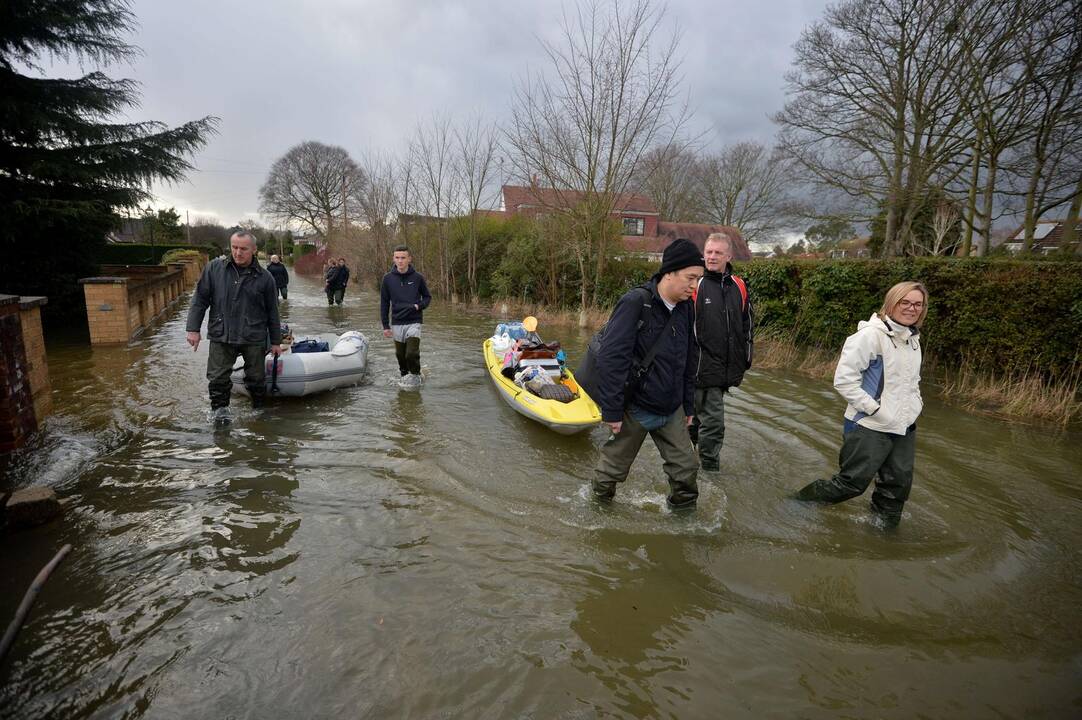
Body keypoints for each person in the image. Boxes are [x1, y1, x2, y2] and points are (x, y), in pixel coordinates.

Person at [793, 281, 928, 527]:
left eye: (917, 304)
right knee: (850, 484)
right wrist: (878, 411)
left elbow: (914, 381)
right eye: (905, 302)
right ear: (891, 303)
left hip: (905, 427)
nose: (911, 308)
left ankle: (883, 538)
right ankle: (796, 504)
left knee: (897, 487)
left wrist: (915, 407)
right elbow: (844, 381)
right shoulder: (869, 336)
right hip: (869, 425)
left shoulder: (913, 340)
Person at [592, 238, 704, 509]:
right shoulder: (635, 302)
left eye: (698, 279)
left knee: (687, 469)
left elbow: (689, 359)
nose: (694, 286)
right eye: (690, 278)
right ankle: (598, 511)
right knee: (611, 473)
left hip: (672, 408)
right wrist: (612, 411)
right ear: (669, 272)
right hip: (635, 408)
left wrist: (688, 405)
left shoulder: (687, 307)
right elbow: (611, 358)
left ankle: (683, 519)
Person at [185, 231, 283, 415]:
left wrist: (276, 341)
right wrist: (193, 329)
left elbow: (273, 312)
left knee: (256, 378)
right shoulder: (214, 269)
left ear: (254, 250)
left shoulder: (265, 277)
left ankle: (258, 412)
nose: (238, 253)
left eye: (243, 249)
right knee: (217, 378)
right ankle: (219, 415)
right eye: (234, 247)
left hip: (253, 335)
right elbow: (199, 300)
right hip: (222, 333)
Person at [691, 232, 753, 472]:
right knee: (714, 423)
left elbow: (747, 323)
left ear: (729, 255)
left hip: (727, 367)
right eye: (708, 252)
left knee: (698, 418)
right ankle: (710, 470)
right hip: (701, 368)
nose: (712, 257)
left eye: (718, 252)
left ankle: (690, 453)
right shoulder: (696, 283)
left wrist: (746, 357)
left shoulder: (739, 285)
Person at [380, 245, 431, 380]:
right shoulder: (387, 279)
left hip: (414, 320)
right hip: (397, 321)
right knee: (400, 355)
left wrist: (418, 306)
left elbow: (427, 297)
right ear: (393, 259)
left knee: (411, 353)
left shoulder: (418, 278)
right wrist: (385, 326)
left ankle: (415, 377)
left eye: (403, 258)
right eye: (397, 258)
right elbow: (384, 303)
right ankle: (404, 377)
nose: (400, 261)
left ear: (409, 259)